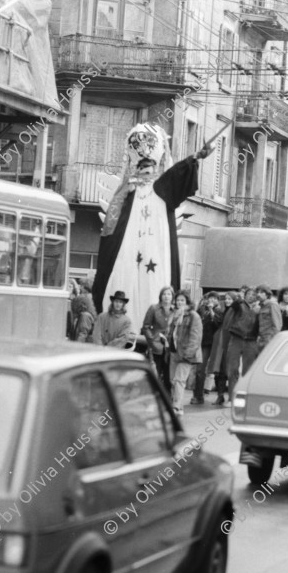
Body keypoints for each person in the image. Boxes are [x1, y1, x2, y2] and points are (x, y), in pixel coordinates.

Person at [92, 122, 215, 334]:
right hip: (129, 249)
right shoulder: (126, 193)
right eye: (142, 169)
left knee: (157, 279)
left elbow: (178, 172)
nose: (145, 174)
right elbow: (111, 228)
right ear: (135, 168)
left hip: (157, 247)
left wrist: (197, 157)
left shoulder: (162, 188)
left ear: (156, 168)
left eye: (149, 169)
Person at [167, 290, 202, 416]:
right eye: (177, 300)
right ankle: (177, 404)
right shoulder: (175, 314)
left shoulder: (193, 316)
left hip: (186, 354)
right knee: (172, 380)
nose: (179, 302)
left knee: (179, 380)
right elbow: (172, 334)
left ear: (187, 301)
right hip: (174, 351)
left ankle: (177, 407)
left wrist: (188, 354)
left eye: (182, 300)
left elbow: (195, 337)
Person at [191, 291, 223, 405]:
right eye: (211, 298)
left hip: (211, 344)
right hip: (199, 341)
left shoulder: (219, 310)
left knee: (204, 369)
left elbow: (218, 324)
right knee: (198, 369)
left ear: (218, 301)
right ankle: (198, 396)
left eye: (215, 299)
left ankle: (204, 395)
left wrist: (211, 310)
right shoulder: (201, 309)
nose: (212, 300)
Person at [226, 287, 259, 394]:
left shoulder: (258, 309)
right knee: (232, 369)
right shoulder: (239, 305)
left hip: (251, 340)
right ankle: (231, 396)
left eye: (254, 294)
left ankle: (244, 395)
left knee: (248, 370)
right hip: (236, 338)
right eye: (249, 294)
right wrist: (237, 299)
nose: (251, 296)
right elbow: (232, 308)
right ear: (245, 295)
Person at [142, 285, 175, 392]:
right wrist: (151, 341)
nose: (166, 296)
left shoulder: (175, 310)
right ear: (160, 296)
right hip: (156, 345)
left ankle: (167, 398)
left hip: (170, 346)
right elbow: (146, 326)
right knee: (156, 372)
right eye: (164, 294)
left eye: (169, 294)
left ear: (172, 296)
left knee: (168, 374)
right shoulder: (153, 308)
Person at [208, 291, 238, 406]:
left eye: (230, 299)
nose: (227, 301)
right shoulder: (221, 311)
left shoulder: (236, 312)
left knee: (229, 370)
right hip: (220, 341)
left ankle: (232, 397)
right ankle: (220, 396)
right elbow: (216, 323)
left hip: (231, 341)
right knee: (218, 369)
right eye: (226, 298)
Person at [256, 285, 282, 351]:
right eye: (257, 292)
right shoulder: (261, 306)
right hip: (261, 339)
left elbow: (277, 325)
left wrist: (272, 339)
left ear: (267, 294)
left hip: (269, 339)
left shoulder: (273, 304)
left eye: (261, 292)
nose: (258, 294)